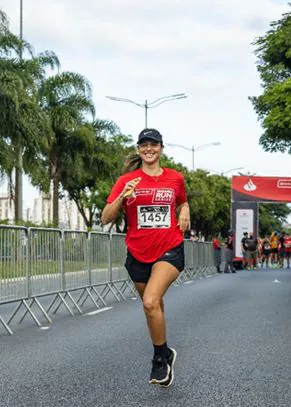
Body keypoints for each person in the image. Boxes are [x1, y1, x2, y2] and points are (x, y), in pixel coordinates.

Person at [101, 128, 189, 387]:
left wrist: (185, 211)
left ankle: (158, 359)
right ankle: (165, 351)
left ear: (161, 147)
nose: (149, 149)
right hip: (138, 253)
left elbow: (182, 201)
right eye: (144, 145)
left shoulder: (175, 178)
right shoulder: (127, 180)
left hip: (169, 249)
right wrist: (122, 197)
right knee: (155, 305)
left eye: (153, 144)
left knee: (150, 302)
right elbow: (106, 217)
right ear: (139, 149)